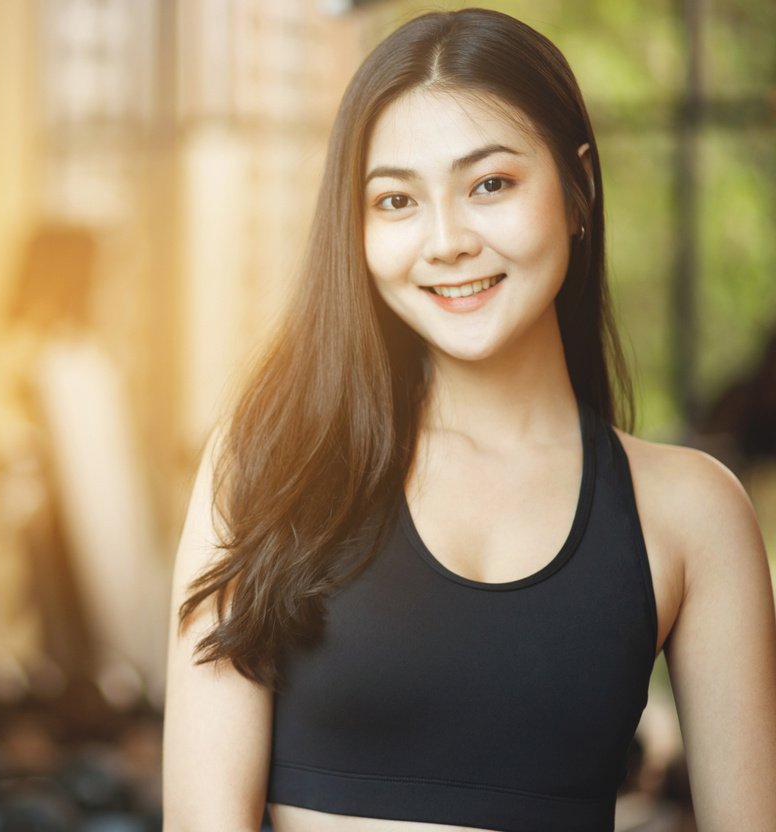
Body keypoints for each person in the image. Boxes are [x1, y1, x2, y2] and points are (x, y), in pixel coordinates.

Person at [162, 8, 776, 832]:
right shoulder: (272, 465)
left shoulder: (694, 514)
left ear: (579, 188)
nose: (446, 241)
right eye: (396, 200)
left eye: (490, 184)